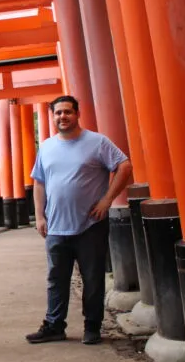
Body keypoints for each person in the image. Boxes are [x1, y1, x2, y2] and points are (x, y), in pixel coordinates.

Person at [26, 95, 132, 346]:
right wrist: (40, 216)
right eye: (57, 113)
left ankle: (92, 326)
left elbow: (124, 166)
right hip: (55, 226)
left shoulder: (97, 142)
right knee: (56, 279)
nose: (62, 117)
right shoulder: (47, 147)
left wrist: (108, 200)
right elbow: (39, 182)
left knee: (93, 279)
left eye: (67, 112)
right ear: (52, 117)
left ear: (77, 114)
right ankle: (54, 325)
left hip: (89, 226)